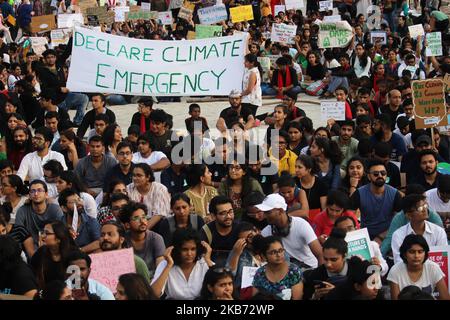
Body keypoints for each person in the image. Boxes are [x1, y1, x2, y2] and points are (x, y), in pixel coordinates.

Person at [258, 194, 323, 269]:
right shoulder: (266, 232)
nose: (264, 216)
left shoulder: (301, 225)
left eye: (268, 212)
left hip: (309, 269)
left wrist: (319, 276)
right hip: (284, 272)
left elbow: (319, 254)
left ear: (280, 211)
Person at [151, 229, 214, 300]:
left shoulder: (204, 262)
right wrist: (168, 266)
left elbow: (220, 285)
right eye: (185, 249)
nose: (189, 254)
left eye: (193, 249)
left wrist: (208, 261)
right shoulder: (166, 264)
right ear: (176, 250)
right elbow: (153, 294)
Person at [350, 160, 403, 242]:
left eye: (383, 173)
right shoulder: (359, 193)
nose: (380, 176)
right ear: (368, 176)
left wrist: (381, 237)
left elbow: (399, 222)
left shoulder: (395, 193)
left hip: (388, 235)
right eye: (376, 174)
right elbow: (349, 216)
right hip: (366, 236)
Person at [387, 234, 450, 300]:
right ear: (404, 254)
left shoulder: (433, 268)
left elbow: (445, 298)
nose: (416, 256)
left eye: (420, 252)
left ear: (425, 253)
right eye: (412, 252)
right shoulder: (395, 271)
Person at [391, 194, 447, 264]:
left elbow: (443, 258)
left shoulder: (438, 231)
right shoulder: (398, 235)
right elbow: (399, 262)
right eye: (420, 208)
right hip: (408, 273)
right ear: (409, 215)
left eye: (425, 206)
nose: (425, 210)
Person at [14, 179, 64, 250]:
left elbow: (61, 231)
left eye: (39, 190)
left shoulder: (55, 209)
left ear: (46, 194)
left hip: (52, 246)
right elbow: (18, 232)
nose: (36, 194)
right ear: (29, 195)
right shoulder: (22, 210)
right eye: (33, 191)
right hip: (29, 247)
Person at [119, 201, 165, 277]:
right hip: (131, 281)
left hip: (152, 281)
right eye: (136, 218)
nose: (142, 221)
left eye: (144, 217)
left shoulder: (156, 238)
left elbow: (160, 269)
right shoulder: (123, 240)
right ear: (127, 225)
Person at [251, 235, 303, 300]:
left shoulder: (294, 271)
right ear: (263, 256)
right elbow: (255, 297)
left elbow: (297, 298)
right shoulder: (260, 273)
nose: (278, 255)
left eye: (281, 250)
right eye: (273, 252)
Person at [30, 221, 79, 290]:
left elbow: (76, 285)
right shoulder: (42, 251)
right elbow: (31, 272)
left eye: (47, 233)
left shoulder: (73, 255)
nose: (42, 236)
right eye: (43, 232)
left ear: (58, 239)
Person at [127, 163, 170, 230]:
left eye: (139, 175)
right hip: (136, 224)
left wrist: (144, 230)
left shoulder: (160, 189)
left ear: (148, 177)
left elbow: (159, 214)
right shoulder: (128, 188)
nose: (135, 178)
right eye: (134, 175)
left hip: (156, 224)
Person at [58, 189, 101, 254]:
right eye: (73, 202)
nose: (79, 203)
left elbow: (99, 242)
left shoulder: (91, 221)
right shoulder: (59, 224)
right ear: (64, 208)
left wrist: (79, 251)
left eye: (79, 200)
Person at [226, 222, 264, 295]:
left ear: (256, 231)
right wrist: (236, 254)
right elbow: (229, 274)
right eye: (245, 241)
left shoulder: (271, 245)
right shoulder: (239, 252)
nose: (250, 242)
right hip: (248, 293)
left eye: (250, 237)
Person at [426, 174, 450, 239]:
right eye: (443, 196)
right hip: (433, 235)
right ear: (438, 190)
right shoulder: (427, 197)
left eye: (448, 197)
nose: (446, 199)